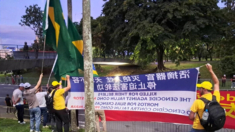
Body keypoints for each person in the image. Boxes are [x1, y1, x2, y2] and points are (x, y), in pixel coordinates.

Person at [189, 64, 220, 132]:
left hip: (198, 128)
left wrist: (201, 120)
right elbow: (216, 83)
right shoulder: (216, 97)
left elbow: (191, 117)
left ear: (205, 89)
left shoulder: (198, 101)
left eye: (201, 88)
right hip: (210, 128)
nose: (199, 89)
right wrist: (210, 70)